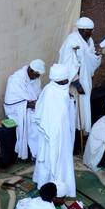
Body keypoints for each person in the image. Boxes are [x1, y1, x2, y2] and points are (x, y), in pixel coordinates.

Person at [33, 63, 77, 197]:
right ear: (58, 80)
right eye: (64, 81)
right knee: (50, 159)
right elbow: (47, 116)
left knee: (63, 159)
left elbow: (65, 113)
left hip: (63, 135)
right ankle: (48, 185)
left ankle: (63, 184)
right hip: (51, 135)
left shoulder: (62, 90)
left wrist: (70, 101)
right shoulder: (50, 92)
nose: (66, 82)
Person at [58, 17, 105, 134]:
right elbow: (66, 63)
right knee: (74, 111)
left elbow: (91, 62)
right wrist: (76, 83)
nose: (92, 32)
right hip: (75, 84)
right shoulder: (72, 40)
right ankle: (73, 136)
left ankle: (81, 132)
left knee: (83, 110)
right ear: (83, 30)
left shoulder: (89, 41)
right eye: (90, 30)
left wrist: (98, 54)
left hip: (85, 80)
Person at [3, 60, 43, 160]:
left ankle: (41, 151)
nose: (38, 77)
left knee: (43, 118)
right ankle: (35, 154)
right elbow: (10, 101)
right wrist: (28, 104)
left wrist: (37, 103)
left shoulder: (36, 79)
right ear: (31, 70)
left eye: (39, 75)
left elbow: (38, 95)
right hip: (16, 110)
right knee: (34, 121)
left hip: (31, 107)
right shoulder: (16, 79)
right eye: (37, 75)